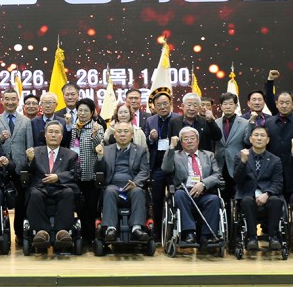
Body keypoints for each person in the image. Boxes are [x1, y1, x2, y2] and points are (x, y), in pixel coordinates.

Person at [162, 126, 222, 246]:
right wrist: (171, 147)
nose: (189, 141)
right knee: (179, 195)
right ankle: (189, 233)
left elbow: (217, 175)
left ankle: (206, 236)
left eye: (192, 138)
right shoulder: (175, 155)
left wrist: (203, 184)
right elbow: (166, 169)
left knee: (215, 199)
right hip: (185, 191)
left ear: (198, 140)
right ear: (181, 142)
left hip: (204, 192)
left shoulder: (209, 155)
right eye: (185, 139)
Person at [24, 120, 80, 247]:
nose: (53, 135)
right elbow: (26, 171)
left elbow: (75, 174)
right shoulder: (35, 152)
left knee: (68, 192)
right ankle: (42, 232)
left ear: (62, 136)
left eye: (56, 132)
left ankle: (62, 231)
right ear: (45, 135)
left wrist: (58, 177)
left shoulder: (71, 155)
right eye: (50, 132)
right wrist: (30, 161)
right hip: (40, 187)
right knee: (34, 194)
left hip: (61, 187)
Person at [94, 119, 149, 243]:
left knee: (138, 191)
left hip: (132, 188)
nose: (122, 134)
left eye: (126, 131)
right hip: (114, 188)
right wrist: (100, 157)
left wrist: (136, 183)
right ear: (114, 135)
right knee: (109, 191)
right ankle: (111, 229)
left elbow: (144, 171)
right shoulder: (106, 150)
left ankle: (137, 228)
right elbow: (99, 171)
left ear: (132, 134)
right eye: (119, 131)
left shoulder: (141, 150)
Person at [0, 89, 33, 240]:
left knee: (21, 202)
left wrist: (29, 165)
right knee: (0, 200)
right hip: (0, 167)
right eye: (7, 99)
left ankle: (20, 234)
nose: (10, 102)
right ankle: (0, 233)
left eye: (13, 99)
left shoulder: (26, 121)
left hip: (20, 169)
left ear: (18, 101)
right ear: (2, 101)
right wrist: (1, 138)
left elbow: (29, 146)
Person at [144, 87, 187, 238]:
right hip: (158, 166)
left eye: (165, 104)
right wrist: (151, 138)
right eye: (159, 105)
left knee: (178, 196)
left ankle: (179, 230)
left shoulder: (179, 118)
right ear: (154, 107)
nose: (162, 107)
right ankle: (157, 232)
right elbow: (147, 143)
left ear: (171, 104)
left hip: (176, 164)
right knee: (156, 199)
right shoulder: (150, 120)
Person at [235, 125, 284, 251]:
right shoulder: (240, 156)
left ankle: (273, 237)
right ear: (250, 139)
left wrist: (267, 194)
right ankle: (252, 238)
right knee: (246, 201)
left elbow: (278, 182)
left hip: (268, 196)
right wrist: (243, 162)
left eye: (262, 136)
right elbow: (238, 180)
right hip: (247, 195)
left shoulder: (275, 160)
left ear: (268, 140)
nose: (259, 138)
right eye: (256, 135)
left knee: (276, 200)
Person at [64, 97, 105, 241]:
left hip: (90, 173)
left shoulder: (97, 127)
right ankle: (78, 235)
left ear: (92, 112)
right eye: (79, 110)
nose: (82, 113)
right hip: (74, 173)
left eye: (86, 111)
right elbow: (67, 145)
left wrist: (94, 136)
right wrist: (68, 128)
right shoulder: (73, 127)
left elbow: (99, 148)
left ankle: (90, 236)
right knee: (78, 207)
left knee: (90, 207)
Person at [259, 91, 293, 197]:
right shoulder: (269, 122)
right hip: (273, 167)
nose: (284, 106)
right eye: (281, 103)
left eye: (287, 103)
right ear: (276, 104)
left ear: (292, 104)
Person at [214, 92, 251, 204]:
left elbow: (247, 141)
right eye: (225, 104)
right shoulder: (216, 123)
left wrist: (252, 125)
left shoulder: (245, 123)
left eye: (231, 104)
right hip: (220, 164)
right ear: (221, 106)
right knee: (222, 197)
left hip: (237, 163)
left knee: (237, 196)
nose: (228, 106)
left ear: (236, 106)